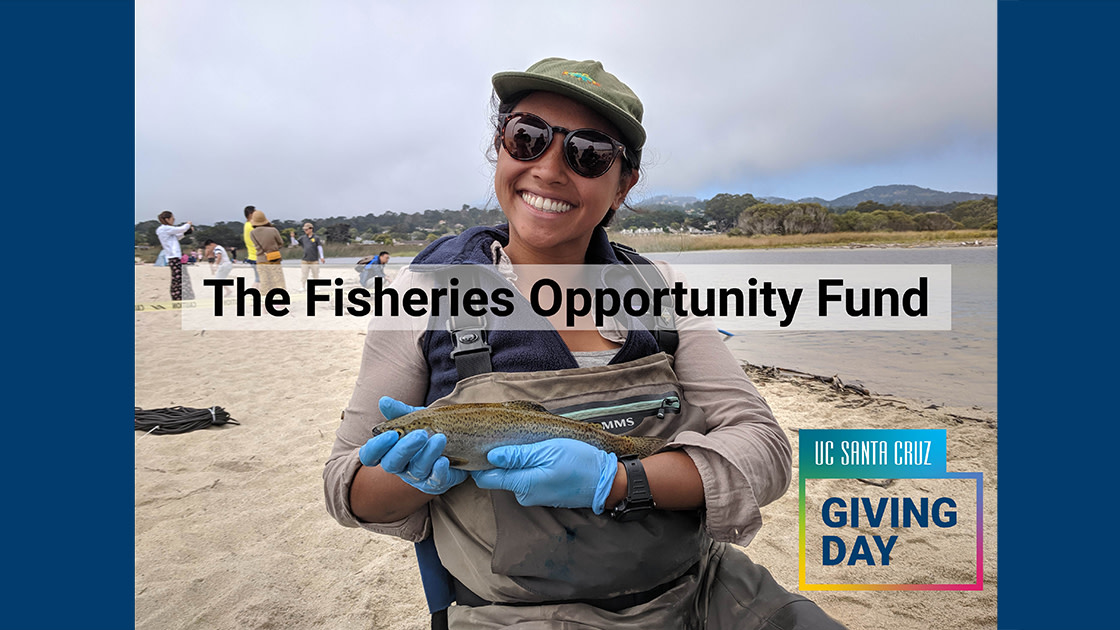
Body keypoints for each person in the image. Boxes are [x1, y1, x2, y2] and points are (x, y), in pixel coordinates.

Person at [324, 58, 845, 629]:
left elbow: (765, 449)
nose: (547, 169)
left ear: (624, 183)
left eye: (589, 153)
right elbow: (346, 489)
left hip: (702, 592)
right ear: (500, 147)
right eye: (527, 137)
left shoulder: (657, 289)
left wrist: (621, 481)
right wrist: (409, 473)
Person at [155, 210, 194, 301]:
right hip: (173, 257)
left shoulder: (167, 230)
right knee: (178, 278)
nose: (174, 220)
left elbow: (177, 236)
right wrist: (188, 224)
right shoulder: (164, 228)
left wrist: (187, 232)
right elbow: (179, 229)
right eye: (172, 218)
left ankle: (182, 297)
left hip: (175, 257)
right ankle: (177, 298)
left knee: (180, 277)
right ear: (167, 219)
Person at [248, 209, 286, 293]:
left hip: (261, 260)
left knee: (265, 283)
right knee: (278, 281)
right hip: (274, 258)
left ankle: (264, 303)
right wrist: (274, 248)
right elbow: (280, 243)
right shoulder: (273, 230)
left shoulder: (252, 233)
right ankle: (280, 302)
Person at [296, 222, 326, 289]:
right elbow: (295, 243)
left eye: (307, 229)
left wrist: (322, 257)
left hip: (314, 260)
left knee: (315, 273)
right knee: (304, 274)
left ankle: (316, 286)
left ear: (311, 229)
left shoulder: (316, 238)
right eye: (304, 229)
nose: (305, 231)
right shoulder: (302, 238)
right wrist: (292, 238)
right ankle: (302, 286)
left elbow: (319, 247)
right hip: (305, 259)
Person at [242, 205, 261, 289]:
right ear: (250, 214)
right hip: (257, 257)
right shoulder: (252, 226)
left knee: (258, 279)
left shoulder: (246, 225)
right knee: (260, 280)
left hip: (252, 256)